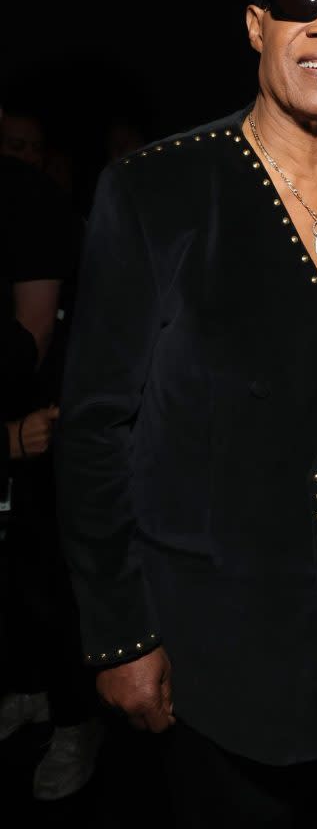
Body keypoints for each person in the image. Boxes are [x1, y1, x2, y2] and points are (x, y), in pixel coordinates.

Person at [55, 0, 317, 826]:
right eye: (301, 0)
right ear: (256, 26)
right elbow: (95, 428)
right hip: (217, 656)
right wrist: (122, 636)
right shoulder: (157, 188)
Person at [0, 146, 99, 802]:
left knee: (46, 580)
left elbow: (25, 344)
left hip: (33, 411)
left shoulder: (25, 196)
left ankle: (74, 718)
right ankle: (31, 690)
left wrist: (15, 433)